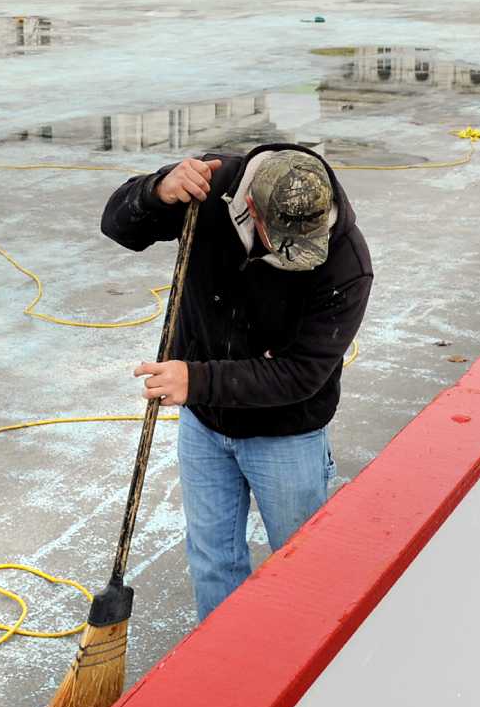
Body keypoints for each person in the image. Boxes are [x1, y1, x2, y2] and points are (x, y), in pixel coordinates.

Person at [102, 146, 373, 622]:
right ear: (252, 207)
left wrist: (196, 379)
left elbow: (301, 373)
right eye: (281, 242)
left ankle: (300, 662)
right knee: (213, 561)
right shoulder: (209, 188)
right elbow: (119, 227)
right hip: (205, 425)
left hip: (287, 433)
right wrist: (156, 192)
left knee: (301, 567)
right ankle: (220, 660)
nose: (293, 257)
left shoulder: (345, 262)